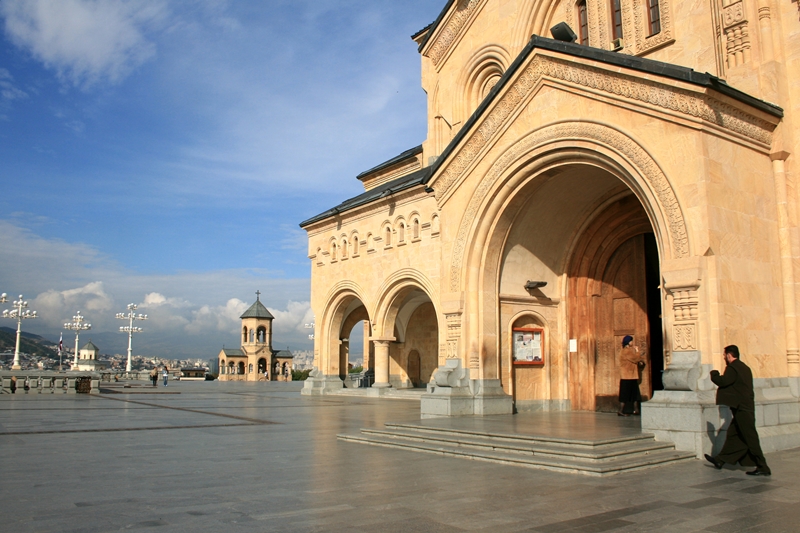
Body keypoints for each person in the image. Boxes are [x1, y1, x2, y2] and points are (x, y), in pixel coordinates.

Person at [704, 345, 771, 476]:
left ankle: (763, 466)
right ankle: (720, 460)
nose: (724, 358)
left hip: (742, 409)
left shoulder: (733, 368)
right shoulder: (744, 368)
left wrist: (714, 374)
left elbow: (724, 381)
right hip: (744, 408)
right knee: (734, 435)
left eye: (724, 356)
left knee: (750, 438)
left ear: (729, 355)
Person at [618, 335, 645, 416]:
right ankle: (621, 411)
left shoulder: (628, 351)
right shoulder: (626, 351)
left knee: (635, 394)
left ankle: (636, 410)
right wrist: (637, 351)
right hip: (627, 377)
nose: (632, 343)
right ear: (628, 342)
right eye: (631, 341)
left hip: (632, 376)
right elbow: (636, 359)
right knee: (625, 394)